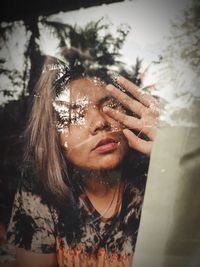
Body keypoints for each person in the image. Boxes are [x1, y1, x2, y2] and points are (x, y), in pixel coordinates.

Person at [6, 55, 159, 267]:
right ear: (54, 137)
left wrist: (171, 154)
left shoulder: (156, 184)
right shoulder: (41, 193)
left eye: (110, 105)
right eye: (74, 116)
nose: (99, 123)